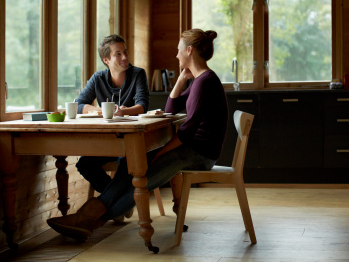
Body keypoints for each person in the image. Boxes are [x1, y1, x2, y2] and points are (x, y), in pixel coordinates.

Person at [47, 28, 228, 242]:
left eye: (178, 50)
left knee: (141, 180)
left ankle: (88, 221)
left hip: (200, 155)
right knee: (133, 167)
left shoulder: (205, 82)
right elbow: (171, 108)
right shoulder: (199, 80)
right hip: (192, 148)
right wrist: (181, 80)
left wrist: (159, 155)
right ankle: (85, 219)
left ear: (189, 51)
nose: (176, 54)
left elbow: (186, 134)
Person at [75, 35, 150, 199]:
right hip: (107, 141)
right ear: (106, 60)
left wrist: (124, 111)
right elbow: (79, 105)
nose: (125, 57)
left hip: (131, 142)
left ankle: (114, 203)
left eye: (125, 52)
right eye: (118, 54)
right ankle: (120, 201)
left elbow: (143, 106)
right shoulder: (98, 78)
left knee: (127, 165)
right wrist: (102, 111)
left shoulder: (138, 74)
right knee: (84, 164)